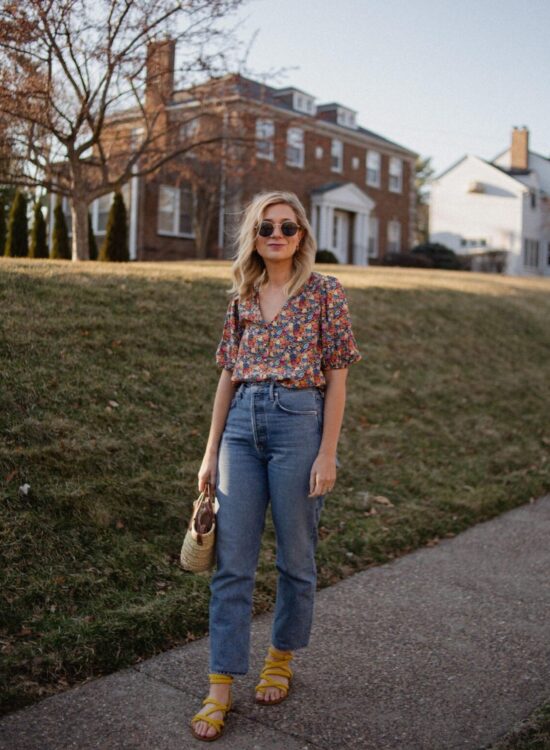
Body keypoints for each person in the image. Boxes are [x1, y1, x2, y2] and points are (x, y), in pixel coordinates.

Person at [190, 190, 361, 741]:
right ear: (254, 236)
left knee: (295, 557)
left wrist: (327, 450)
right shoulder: (243, 293)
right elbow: (227, 374)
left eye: (288, 227)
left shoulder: (325, 292)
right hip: (241, 426)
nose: (277, 235)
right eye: (266, 227)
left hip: (298, 424)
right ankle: (220, 685)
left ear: (302, 234)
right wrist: (210, 450)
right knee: (232, 564)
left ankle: (281, 658)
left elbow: (337, 374)